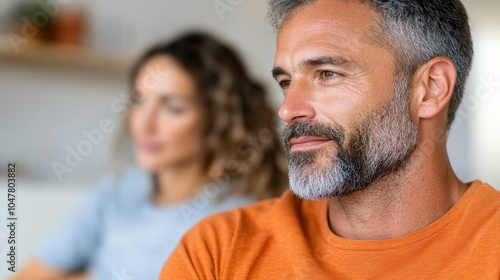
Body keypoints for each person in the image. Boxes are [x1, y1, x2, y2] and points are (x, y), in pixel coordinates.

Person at [160, 1, 500, 279]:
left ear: (430, 89)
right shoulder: (218, 252)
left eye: (327, 74)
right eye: (286, 82)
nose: (288, 109)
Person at [13, 32, 288, 280]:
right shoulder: (115, 192)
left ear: (218, 119)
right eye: (139, 101)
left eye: (173, 108)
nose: (144, 126)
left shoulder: (243, 219)